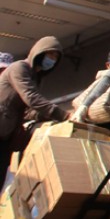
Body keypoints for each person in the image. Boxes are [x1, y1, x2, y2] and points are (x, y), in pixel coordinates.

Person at [0, 37, 70, 185]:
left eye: (55, 57)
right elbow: (31, 98)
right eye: (49, 54)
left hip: (6, 135)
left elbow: (28, 109)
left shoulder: (35, 77)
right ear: (38, 52)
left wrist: (44, 117)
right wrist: (64, 115)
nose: (51, 59)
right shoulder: (19, 68)